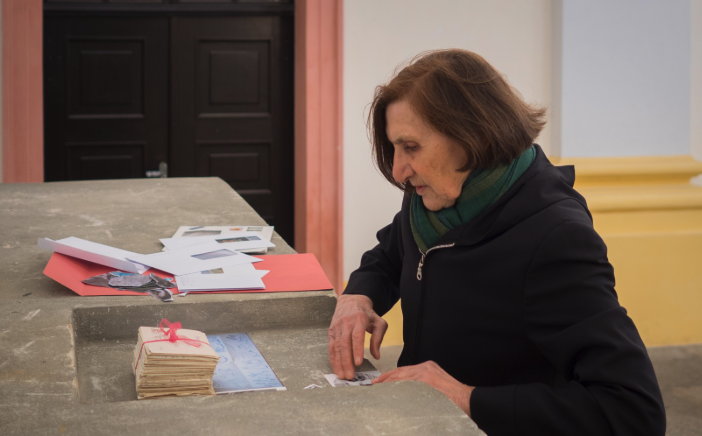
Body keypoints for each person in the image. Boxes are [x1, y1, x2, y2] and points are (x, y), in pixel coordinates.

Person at [327, 49, 665, 435]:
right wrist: (359, 296)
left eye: (411, 147)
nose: (398, 170)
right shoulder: (432, 200)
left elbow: (633, 411)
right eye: (394, 148)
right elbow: (390, 254)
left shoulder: (556, 239)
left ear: (471, 135)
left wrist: (466, 398)